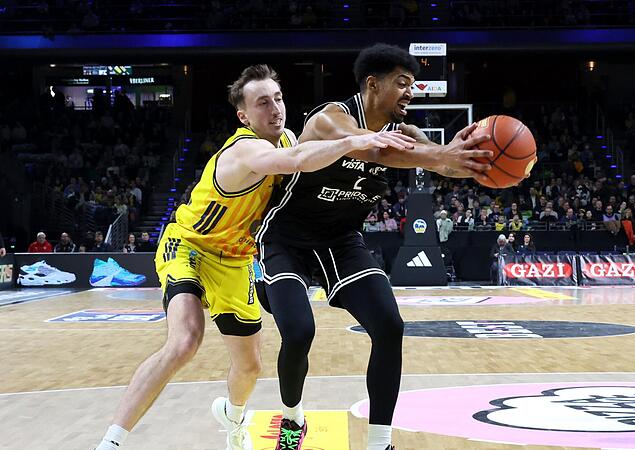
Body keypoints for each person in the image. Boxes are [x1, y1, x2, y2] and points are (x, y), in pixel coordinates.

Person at [94, 64, 415, 450]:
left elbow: (303, 160)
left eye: (278, 98)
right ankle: (111, 442)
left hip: (237, 258)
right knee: (185, 341)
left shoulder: (288, 138)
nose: (275, 108)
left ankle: (232, 417)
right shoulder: (246, 148)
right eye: (263, 103)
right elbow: (297, 161)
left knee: (249, 367)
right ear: (244, 115)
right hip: (192, 246)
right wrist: (354, 141)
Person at [256, 44, 492, 450]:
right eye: (402, 83)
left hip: (341, 241)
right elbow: (374, 149)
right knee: (298, 333)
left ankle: (379, 442)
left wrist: (483, 161)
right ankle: (293, 419)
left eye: (413, 85)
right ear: (372, 84)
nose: (410, 92)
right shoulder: (331, 119)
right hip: (287, 238)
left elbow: (444, 163)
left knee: (389, 326)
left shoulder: (408, 135)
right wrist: (439, 153)